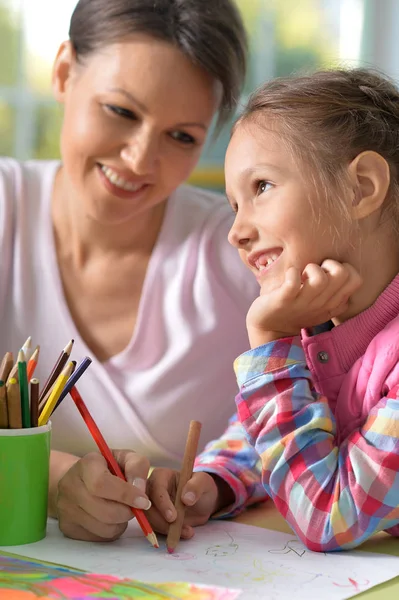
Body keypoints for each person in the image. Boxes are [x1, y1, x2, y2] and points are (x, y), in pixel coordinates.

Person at [0, 0, 259, 542]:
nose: (141, 160)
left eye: (182, 137)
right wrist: (56, 483)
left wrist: (217, 484)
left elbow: (331, 422)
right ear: (64, 72)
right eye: (121, 111)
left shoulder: (239, 248)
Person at [147, 68, 399, 551]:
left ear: (362, 187)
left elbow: (329, 513)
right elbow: (281, 436)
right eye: (234, 205)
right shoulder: (320, 323)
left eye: (261, 187)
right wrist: (212, 483)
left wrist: (269, 344)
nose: (236, 232)